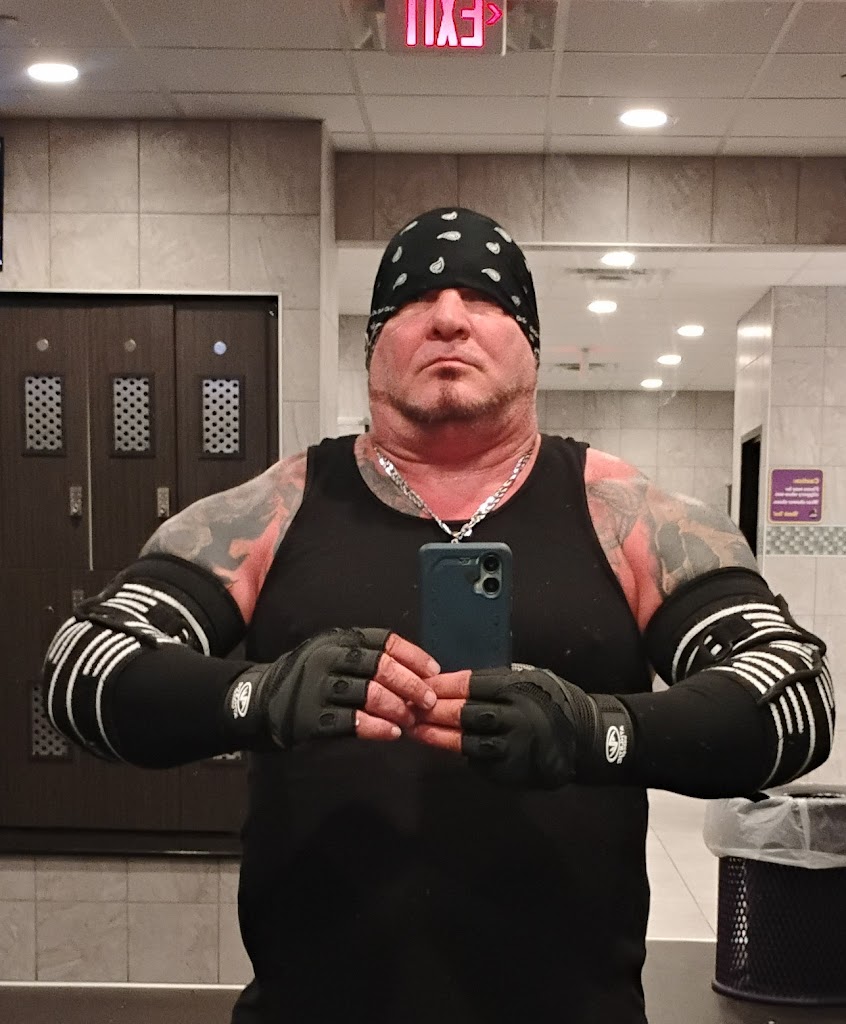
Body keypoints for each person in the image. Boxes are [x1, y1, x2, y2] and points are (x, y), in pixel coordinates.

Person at [42, 207, 835, 1024]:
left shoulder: (629, 516)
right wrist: (258, 695)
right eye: (414, 299)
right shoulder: (273, 510)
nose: (449, 317)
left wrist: (594, 730)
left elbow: (795, 697)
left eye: (484, 299)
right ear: (373, 345)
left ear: (529, 342)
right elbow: (82, 666)